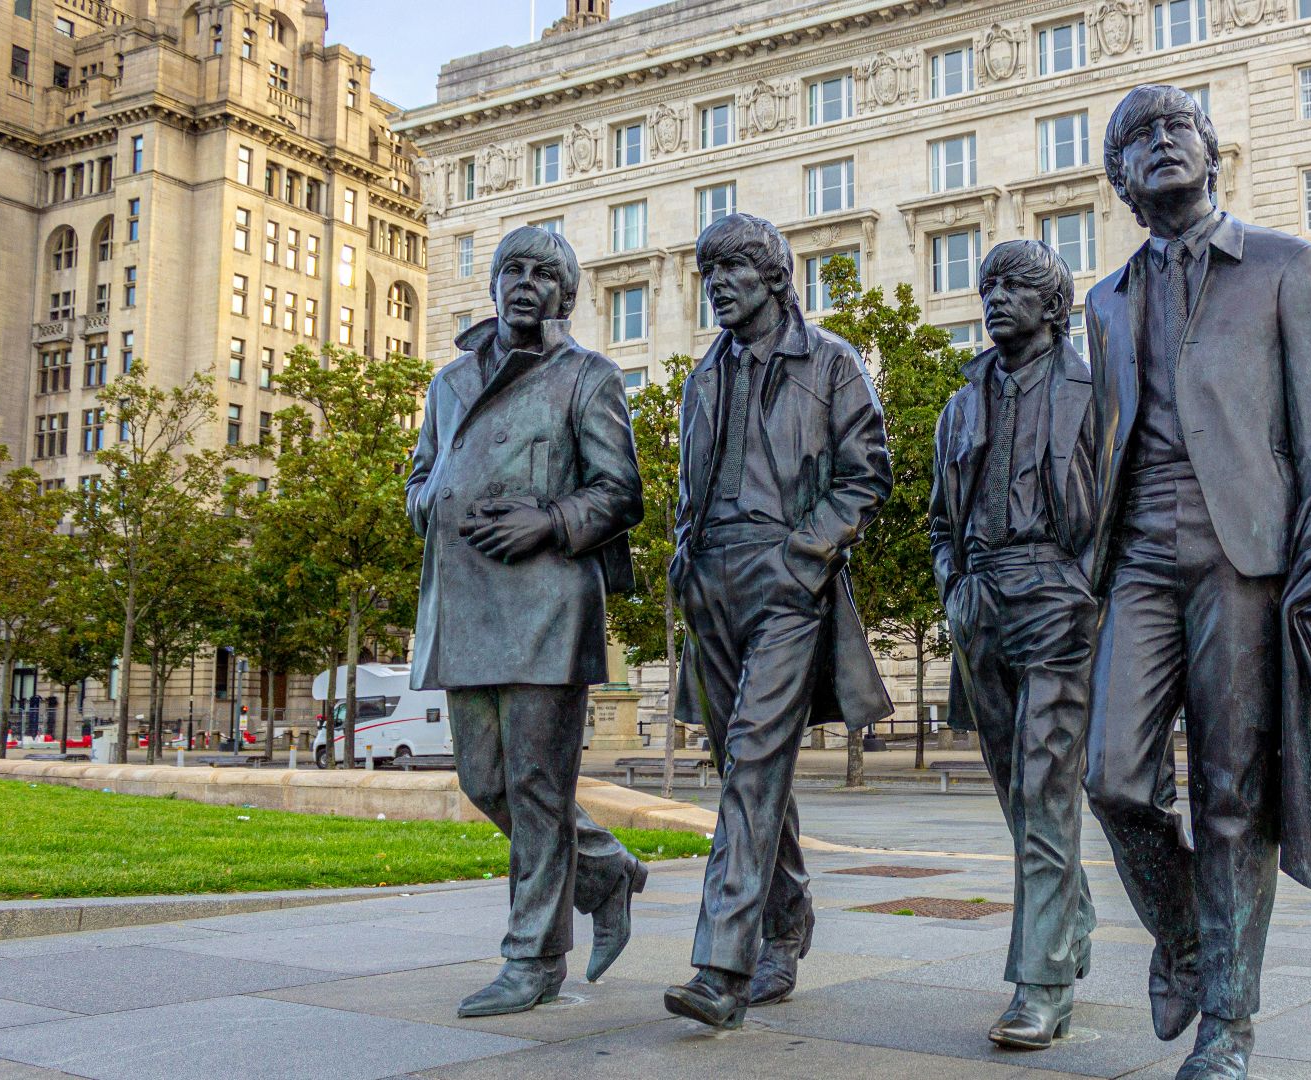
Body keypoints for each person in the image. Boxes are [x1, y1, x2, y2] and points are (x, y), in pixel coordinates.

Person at [1082, 84, 1311, 1080]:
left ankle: (1229, 1027)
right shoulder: (1103, 301)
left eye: (1177, 130)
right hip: (1139, 561)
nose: (1160, 144)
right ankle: (1190, 941)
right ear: (1119, 179)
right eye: (1136, 139)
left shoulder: (1288, 267)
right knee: (1112, 777)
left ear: (1214, 155)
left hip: (1249, 556)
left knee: (1230, 795)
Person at [406, 225, 647, 1018]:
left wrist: (547, 520)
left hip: (547, 601)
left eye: (545, 275)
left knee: (538, 785)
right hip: (465, 600)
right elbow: (420, 475)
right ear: (494, 283)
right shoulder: (447, 383)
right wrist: (432, 507)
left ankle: (534, 958)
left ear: (567, 296)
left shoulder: (589, 377)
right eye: (513, 269)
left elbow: (620, 492)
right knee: (484, 780)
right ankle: (605, 867)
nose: (525, 283)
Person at [664, 213, 892, 1030]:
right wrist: (683, 563)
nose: (716, 282)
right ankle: (787, 922)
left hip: (787, 580)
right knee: (746, 771)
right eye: (707, 270)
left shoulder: (830, 363)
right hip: (711, 588)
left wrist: (807, 555)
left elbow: (869, 475)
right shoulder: (701, 378)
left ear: (772, 276)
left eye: (730, 267)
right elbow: (686, 491)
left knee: (757, 762)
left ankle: (722, 965)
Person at [928, 239, 1098, 1050]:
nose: (995, 297)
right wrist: (952, 586)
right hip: (981, 603)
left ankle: (1041, 985)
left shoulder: (1094, 389)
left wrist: (1083, 585)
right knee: (1018, 795)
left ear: (1053, 305)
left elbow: (1124, 501)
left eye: (1017, 286)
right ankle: (1070, 920)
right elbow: (939, 519)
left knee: (1045, 785)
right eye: (989, 285)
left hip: (1057, 599)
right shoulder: (961, 402)